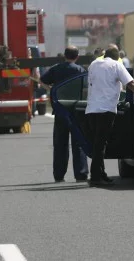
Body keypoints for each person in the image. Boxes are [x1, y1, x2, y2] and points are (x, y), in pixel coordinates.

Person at [85, 45, 134, 186]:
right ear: (117, 56)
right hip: (106, 109)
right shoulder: (116, 65)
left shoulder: (93, 64)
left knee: (97, 143)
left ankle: (101, 174)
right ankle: (95, 177)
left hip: (91, 109)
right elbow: (131, 83)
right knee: (101, 144)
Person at [40, 46, 89, 183]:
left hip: (60, 110)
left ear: (65, 56)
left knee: (60, 144)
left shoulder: (57, 68)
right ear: (77, 56)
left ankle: (59, 175)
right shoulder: (80, 70)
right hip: (76, 111)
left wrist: (51, 90)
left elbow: (42, 80)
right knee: (79, 143)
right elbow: (86, 88)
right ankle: (81, 174)